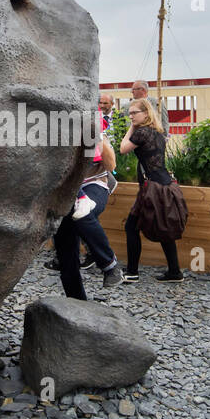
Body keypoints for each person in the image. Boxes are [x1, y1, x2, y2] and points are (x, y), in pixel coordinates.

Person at [53, 113, 123, 298]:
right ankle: (77, 303)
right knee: (66, 251)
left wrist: (98, 138)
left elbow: (110, 165)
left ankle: (110, 265)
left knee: (81, 213)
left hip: (94, 185)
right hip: (68, 191)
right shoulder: (52, 132)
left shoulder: (92, 128)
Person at [119, 98, 184, 283]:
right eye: (130, 113)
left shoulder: (142, 133)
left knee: (131, 227)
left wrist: (132, 128)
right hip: (165, 186)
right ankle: (174, 272)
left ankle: (132, 273)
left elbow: (123, 148)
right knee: (165, 229)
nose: (130, 116)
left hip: (152, 189)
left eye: (134, 113)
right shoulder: (157, 132)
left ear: (146, 113)